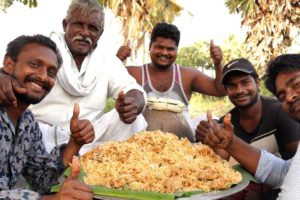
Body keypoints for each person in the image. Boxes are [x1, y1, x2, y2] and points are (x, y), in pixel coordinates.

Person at [0, 0, 147, 154]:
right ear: (65, 25)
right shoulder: (45, 51)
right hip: (40, 133)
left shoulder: (107, 60)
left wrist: (132, 103)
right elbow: (11, 70)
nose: (84, 33)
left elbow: (132, 89)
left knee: (136, 120)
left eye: (92, 28)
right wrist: (3, 77)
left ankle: (103, 165)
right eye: (78, 24)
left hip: (87, 137)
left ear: (100, 33)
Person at [0, 34, 95, 200]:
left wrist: (75, 142)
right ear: (8, 64)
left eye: (51, 73)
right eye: (34, 64)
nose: (44, 77)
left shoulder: (28, 123)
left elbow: (41, 181)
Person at [195, 53, 300, 200]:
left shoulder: (279, 112)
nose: (290, 97)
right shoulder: (225, 123)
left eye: (297, 85)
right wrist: (224, 142)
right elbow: (287, 171)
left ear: (257, 82)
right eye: (282, 95)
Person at [125, 22, 226, 142]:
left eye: (170, 49)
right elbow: (109, 84)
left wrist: (218, 63)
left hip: (181, 147)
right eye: (159, 47)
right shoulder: (134, 73)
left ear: (177, 50)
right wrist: (118, 59)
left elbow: (219, 90)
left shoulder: (187, 75)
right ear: (150, 46)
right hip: (139, 146)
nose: (164, 53)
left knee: (213, 123)